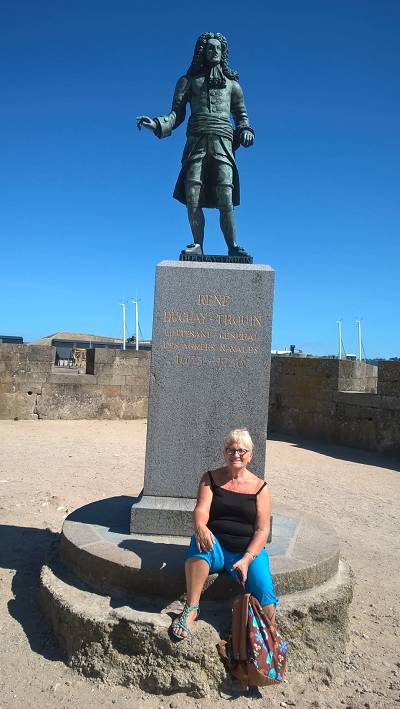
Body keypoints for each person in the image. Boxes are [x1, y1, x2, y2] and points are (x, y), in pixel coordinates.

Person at [137, 32, 255, 258]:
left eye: (218, 48)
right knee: (193, 194)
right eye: (210, 48)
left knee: (226, 196)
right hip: (196, 144)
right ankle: (197, 244)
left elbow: (242, 117)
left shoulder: (233, 86)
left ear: (223, 53)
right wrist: (158, 124)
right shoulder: (188, 82)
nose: (215, 51)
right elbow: (176, 114)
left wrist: (246, 131)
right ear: (202, 52)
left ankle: (233, 246)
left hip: (223, 143)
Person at [170, 428, 277, 640]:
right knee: (199, 544)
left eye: (241, 450)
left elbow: (262, 530)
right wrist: (201, 526)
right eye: (230, 449)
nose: (236, 454)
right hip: (215, 545)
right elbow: (201, 509)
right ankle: (191, 608)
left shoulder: (261, 488)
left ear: (250, 455)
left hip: (246, 551)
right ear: (224, 453)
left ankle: (268, 634)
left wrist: (247, 558)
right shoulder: (210, 478)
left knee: (264, 591)